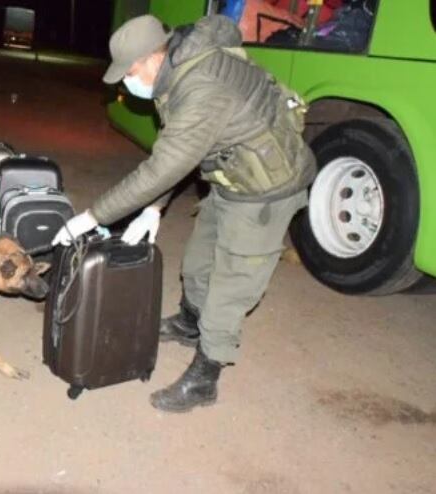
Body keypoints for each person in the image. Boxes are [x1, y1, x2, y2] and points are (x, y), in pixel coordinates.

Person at [51, 14, 315, 413]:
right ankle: (190, 322)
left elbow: (163, 167)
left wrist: (93, 216)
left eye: (128, 72)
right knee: (195, 264)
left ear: (150, 58)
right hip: (231, 177)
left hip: (267, 189)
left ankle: (206, 376)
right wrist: (155, 208)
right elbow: (180, 150)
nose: (125, 82)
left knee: (231, 285)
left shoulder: (202, 87)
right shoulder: (173, 72)